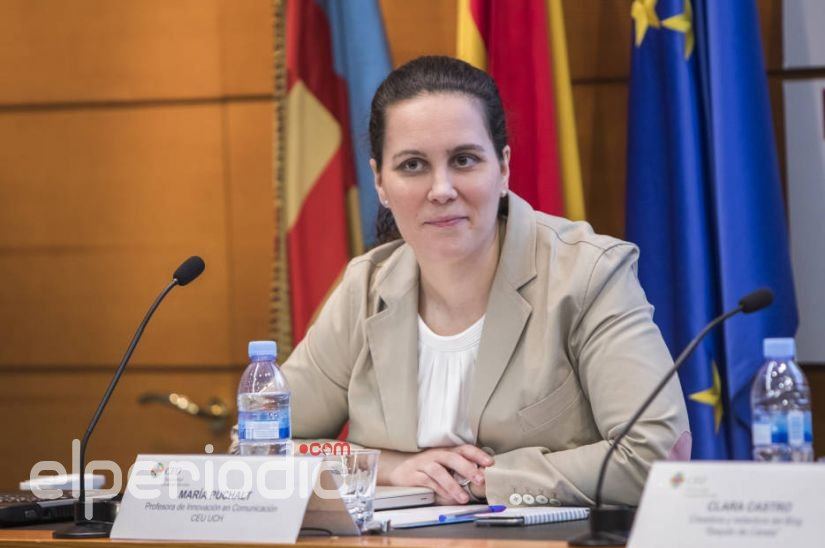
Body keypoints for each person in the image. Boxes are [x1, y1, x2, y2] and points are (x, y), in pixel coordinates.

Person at [234, 56, 690, 507]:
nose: (441, 189)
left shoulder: (586, 275)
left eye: (464, 160)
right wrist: (386, 467)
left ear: (503, 168)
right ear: (380, 183)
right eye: (413, 165)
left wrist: (484, 480)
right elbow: (255, 449)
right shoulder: (364, 290)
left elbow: (657, 454)